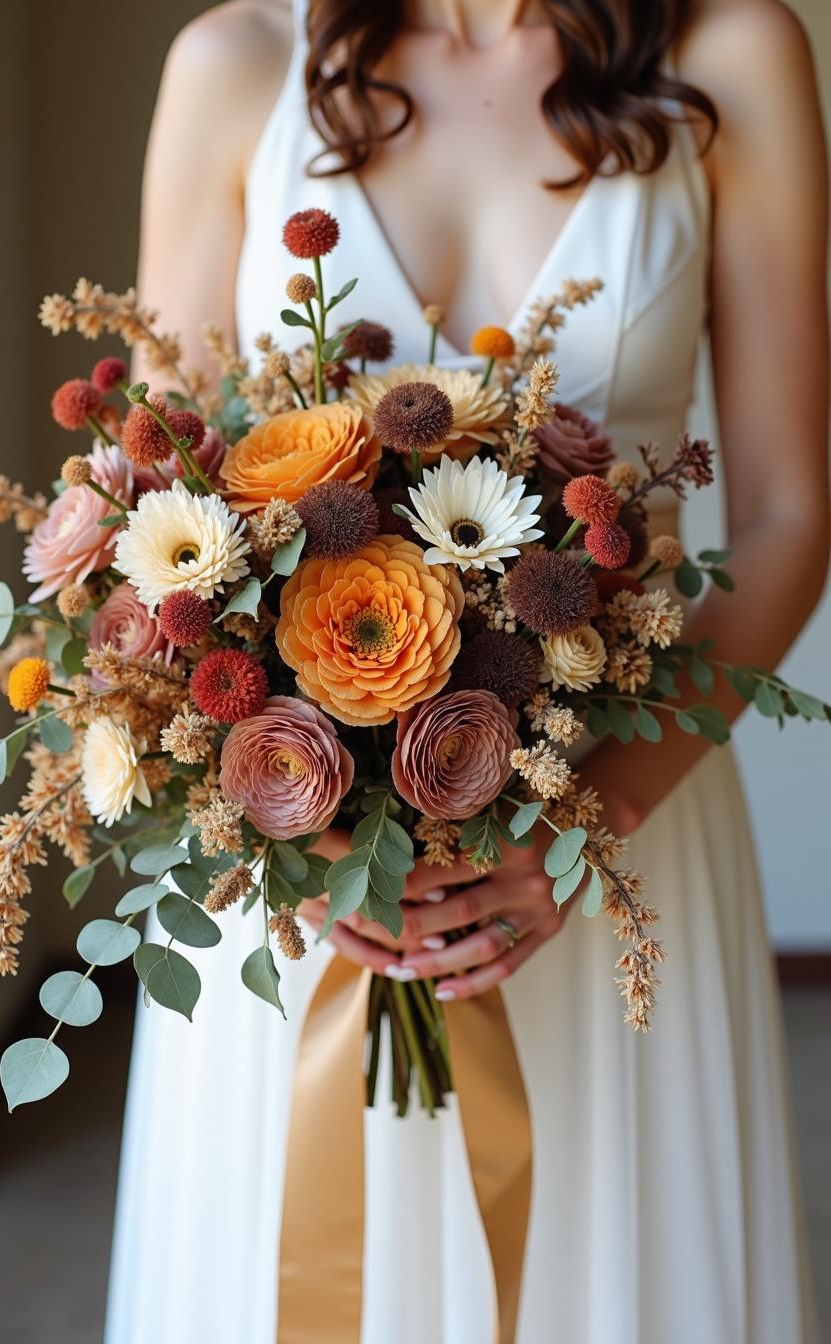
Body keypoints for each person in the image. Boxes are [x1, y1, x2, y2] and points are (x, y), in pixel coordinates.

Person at [104, 1, 828, 1339]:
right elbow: (156, 506)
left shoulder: (732, 56)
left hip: (618, 838)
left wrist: (582, 823)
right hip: (293, 864)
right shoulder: (236, 63)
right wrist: (297, 827)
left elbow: (790, 514)